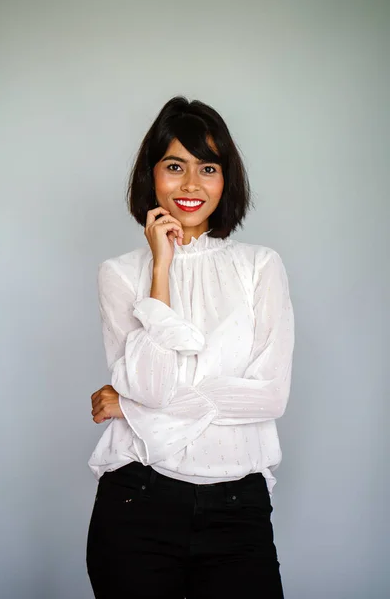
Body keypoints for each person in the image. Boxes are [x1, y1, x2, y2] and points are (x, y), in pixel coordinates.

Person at [86, 96, 295, 599]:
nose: (191, 185)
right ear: (151, 175)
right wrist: (161, 269)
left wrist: (131, 403)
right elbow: (154, 385)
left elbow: (269, 397)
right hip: (138, 501)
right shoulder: (120, 274)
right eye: (174, 166)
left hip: (236, 507)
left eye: (208, 167)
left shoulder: (259, 267)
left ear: (227, 180)